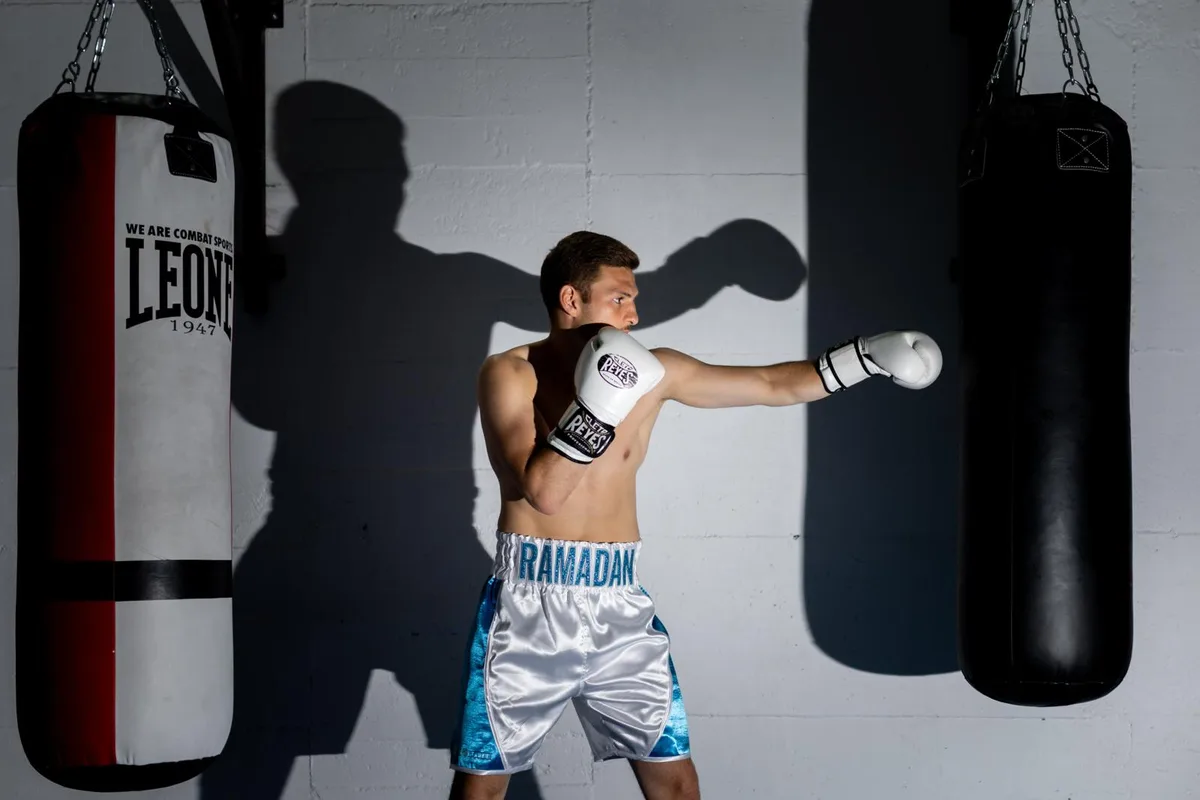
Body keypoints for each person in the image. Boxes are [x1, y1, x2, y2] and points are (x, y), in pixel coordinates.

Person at [449, 231, 942, 800]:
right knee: (482, 790)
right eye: (619, 299)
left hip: (619, 606)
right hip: (530, 606)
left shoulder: (656, 372)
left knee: (677, 786)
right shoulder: (511, 373)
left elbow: (771, 383)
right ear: (570, 299)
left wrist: (865, 358)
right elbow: (544, 492)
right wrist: (598, 405)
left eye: (634, 300)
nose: (634, 315)